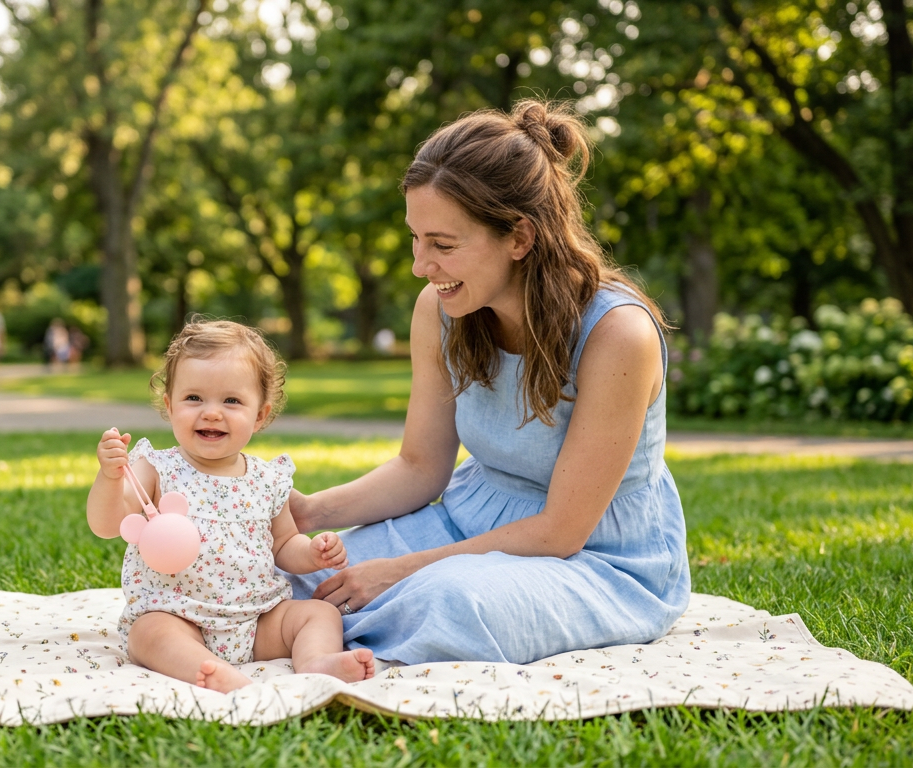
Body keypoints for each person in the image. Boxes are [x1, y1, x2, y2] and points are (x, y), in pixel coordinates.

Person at [284, 100, 691, 666]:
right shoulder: (442, 308)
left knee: (449, 603)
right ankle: (338, 635)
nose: (420, 265)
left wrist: (397, 572)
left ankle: (341, 638)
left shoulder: (619, 334)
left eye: (443, 245)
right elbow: (420, 468)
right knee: (294, 578)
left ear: (519, 237)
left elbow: (561, 531)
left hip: (598, 557)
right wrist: (305, 516)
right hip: (468, 521)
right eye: (415, 239)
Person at [86, 320, 375, 692]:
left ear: (260, 415)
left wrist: (315, 553)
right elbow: (106, 524)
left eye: (231, 401)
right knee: (149, 634)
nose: (211, 412)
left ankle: (316, 661)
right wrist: (110, 479)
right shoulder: (157, 467)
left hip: (257, 618)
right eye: (194, 398)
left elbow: (284, 544)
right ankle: (207, 669)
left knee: (318, 614)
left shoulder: (267, 479)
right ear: (170, 406)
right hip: (179, 614)